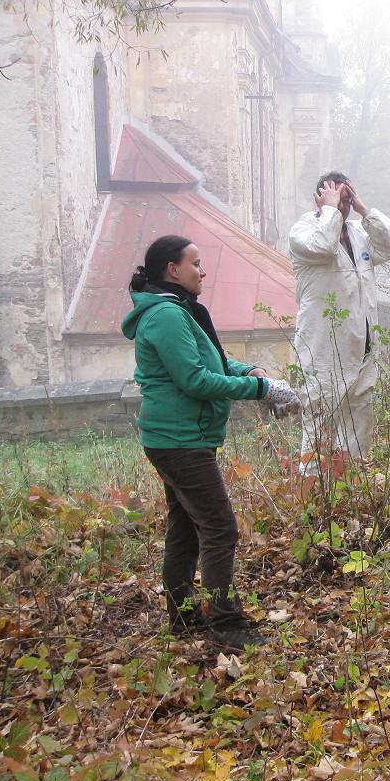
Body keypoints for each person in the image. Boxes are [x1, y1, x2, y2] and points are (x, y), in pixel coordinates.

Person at [122, 235, 301, 652]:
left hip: (177, 437)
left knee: (185, 528)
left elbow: (212, 361)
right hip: (178, 440)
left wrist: (253, 371)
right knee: (219, 527)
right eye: (195, 263)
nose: (203, 271)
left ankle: (182, 618)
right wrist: (259, 389)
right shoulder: (166, 315)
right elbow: (195, 380)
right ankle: (227, 624)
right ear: (172, 269)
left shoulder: (177, 310)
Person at [288, 172, 390, 475]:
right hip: (323, 349)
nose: (344, 205)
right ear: (320, 199)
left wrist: (365, 210)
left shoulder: (358, 234)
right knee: (320, 417)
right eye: (339, 198)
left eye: (347, 197)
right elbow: (323, 247)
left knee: (358, 417)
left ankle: (351, 485)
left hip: (362, 346)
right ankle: (314, 492)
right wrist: (329, 209)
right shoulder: (304, 232)